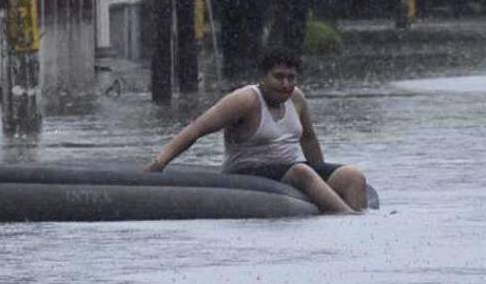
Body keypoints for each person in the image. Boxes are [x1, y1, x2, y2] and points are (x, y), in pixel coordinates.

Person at [145, 47, 367, 214]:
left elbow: (308, 138)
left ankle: (353, 234)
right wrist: (158, 164)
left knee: (353, 176)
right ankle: (348, 218)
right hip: (248, 173)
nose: (285, 84)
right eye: (278, 77)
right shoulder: (245, 100)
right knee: (302, 172)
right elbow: (196, 129)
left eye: (291, 77)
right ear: (263, 77)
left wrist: (321, 177)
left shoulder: (297, 98)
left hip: (291, 170)